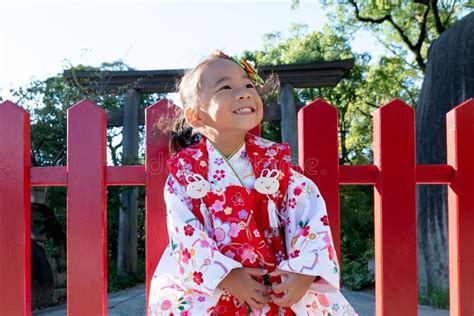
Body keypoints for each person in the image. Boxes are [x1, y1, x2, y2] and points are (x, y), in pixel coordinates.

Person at [148, 50, 357, 315]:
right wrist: (225, 275)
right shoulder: (186, 173)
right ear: (196, 116)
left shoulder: (273, 163)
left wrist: (305, 272)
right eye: (226, 87)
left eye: (248, 85)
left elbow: (309, 212)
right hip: (214, 284)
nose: (245, 92)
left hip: (274, 279)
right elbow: (184, 230)